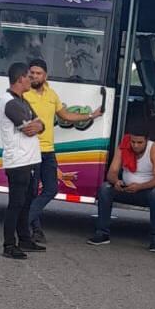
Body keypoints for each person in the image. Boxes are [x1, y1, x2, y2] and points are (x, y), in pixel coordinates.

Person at [24, 59, 103, 243]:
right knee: (32, 191)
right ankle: (34, 230)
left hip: (48, 150)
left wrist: (91, 115)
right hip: (31, 150)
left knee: (51, 189)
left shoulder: (52, 94)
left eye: (38, 73)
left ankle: (24, 222)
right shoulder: (25, 94)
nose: (35, 76)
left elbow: (65, 115)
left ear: (45, 76)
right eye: (32, 73)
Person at [87, 129, 155, 252]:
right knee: (105, 188)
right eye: (133, 142)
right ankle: (102, 233)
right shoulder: (124, 147)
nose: (135, 145)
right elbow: (111, 173)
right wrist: (116, 181)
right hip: (126, 189)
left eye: (139, 142)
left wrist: (139, 186)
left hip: (145, 191)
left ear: (146, 140)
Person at [0, 62, 47, 259]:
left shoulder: (23, 100)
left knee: (27, 202)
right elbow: (28, 129)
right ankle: (9, 244)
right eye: (29, 76)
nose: (31, 79)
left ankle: (25, 239)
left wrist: (38, 125)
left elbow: (40, 123)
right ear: (20, 79)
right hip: (18, 161)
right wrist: (35, 125)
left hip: (30, 160)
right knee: (16, 204)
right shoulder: (9, 102)